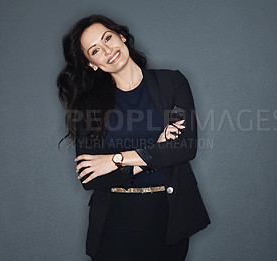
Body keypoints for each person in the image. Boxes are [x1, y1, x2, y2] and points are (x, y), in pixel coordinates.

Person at [57, 14, 210, 260]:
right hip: (114, 224)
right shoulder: (87, 106)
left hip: (168, 219)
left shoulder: (172, 83)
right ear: (91, 64)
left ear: (122, 36)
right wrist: (154, 150)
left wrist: (115, 160)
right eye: (95, 50)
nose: (107, 50)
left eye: (108, 38)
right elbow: (90, 179)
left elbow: (185, 147)